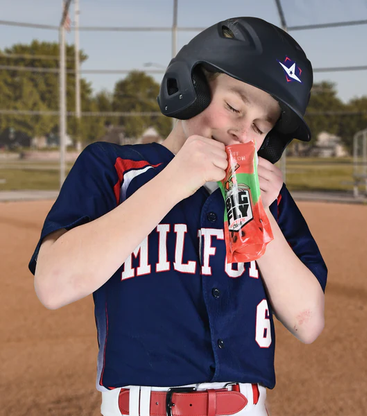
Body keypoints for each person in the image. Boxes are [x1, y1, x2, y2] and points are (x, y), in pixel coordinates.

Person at [29, 16, 327, 416]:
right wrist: (174, 180)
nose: (242, 131)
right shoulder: (113, 166)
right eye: (233, 106)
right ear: (192, 88)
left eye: (260, 126)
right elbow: (53, 284)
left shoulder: (271, 197)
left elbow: (307, 323)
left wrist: (258, 209)